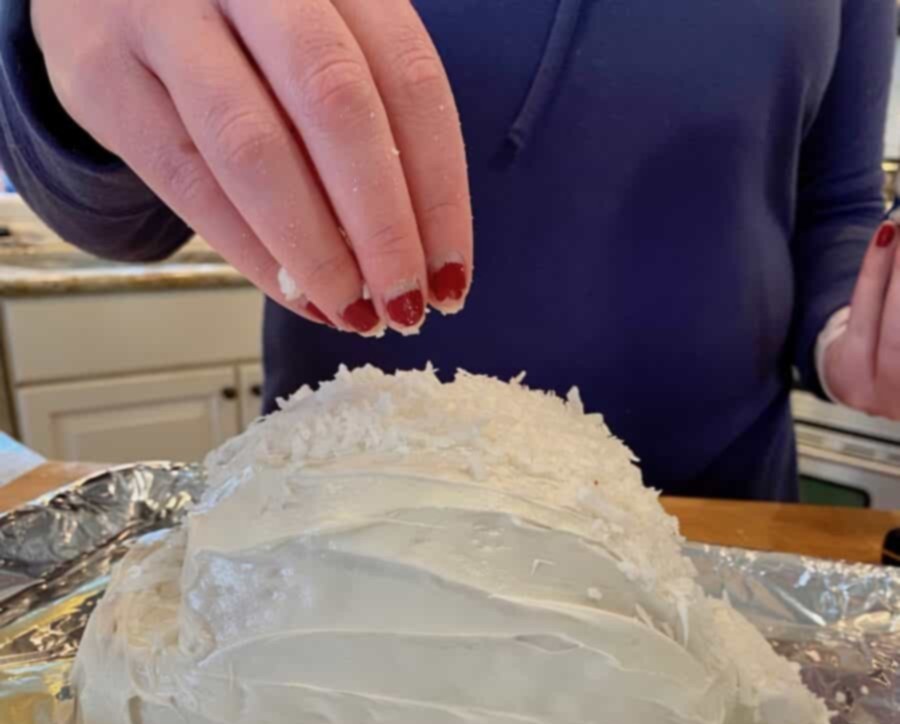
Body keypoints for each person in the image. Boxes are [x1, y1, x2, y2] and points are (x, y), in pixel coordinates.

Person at [0, 0, 897, 500]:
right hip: (351, 519)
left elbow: (836, 204)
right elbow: (125, 222)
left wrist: (851, 337)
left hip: (717, 515)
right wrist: (68, 40)